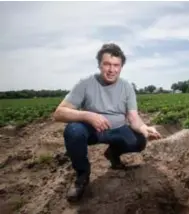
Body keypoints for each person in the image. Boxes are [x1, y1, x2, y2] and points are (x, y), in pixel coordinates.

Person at [53, 43, 162, 202]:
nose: (112, 69)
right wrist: (87, 116)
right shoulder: (85, 83)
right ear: (99, 65)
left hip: (117, 129)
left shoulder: (127, 87)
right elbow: (59, 113)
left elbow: (133, 117)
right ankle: (82, 176)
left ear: (121, 67)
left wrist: (145, 128)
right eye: (107, 64)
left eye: (116, 65)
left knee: (138, 141)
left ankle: (113, 153)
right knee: (73, 131)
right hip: (92, 131)